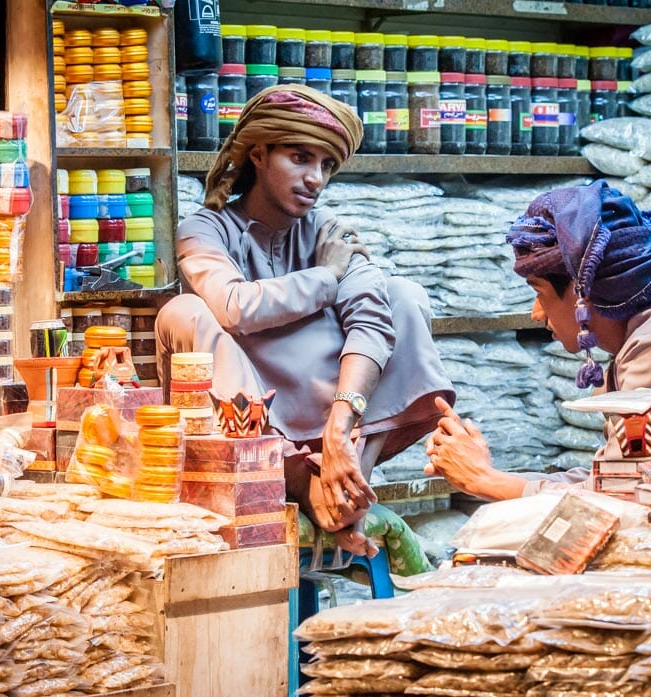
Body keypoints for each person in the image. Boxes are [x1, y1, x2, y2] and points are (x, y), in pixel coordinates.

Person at [156, 85, 455, 556]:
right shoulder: (205, 228)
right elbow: (236, 307)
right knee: (185, 312)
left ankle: (349, 480)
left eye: (326, 166)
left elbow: (373, 319)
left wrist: (341, 429)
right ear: (258, 153)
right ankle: (299, 480)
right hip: (252, 420)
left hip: (334, 416)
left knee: (401, 296)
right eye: (300, 158)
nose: (315, 178)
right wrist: (327, 276)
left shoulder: (328, 230)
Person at [425, 179, 651, 500]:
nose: (537, 313)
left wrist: (488, 481)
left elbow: (630, 494)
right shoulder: (645, 333)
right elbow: (608, 479)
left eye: (540, 292)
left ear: (582, 293)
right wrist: (490, 476)